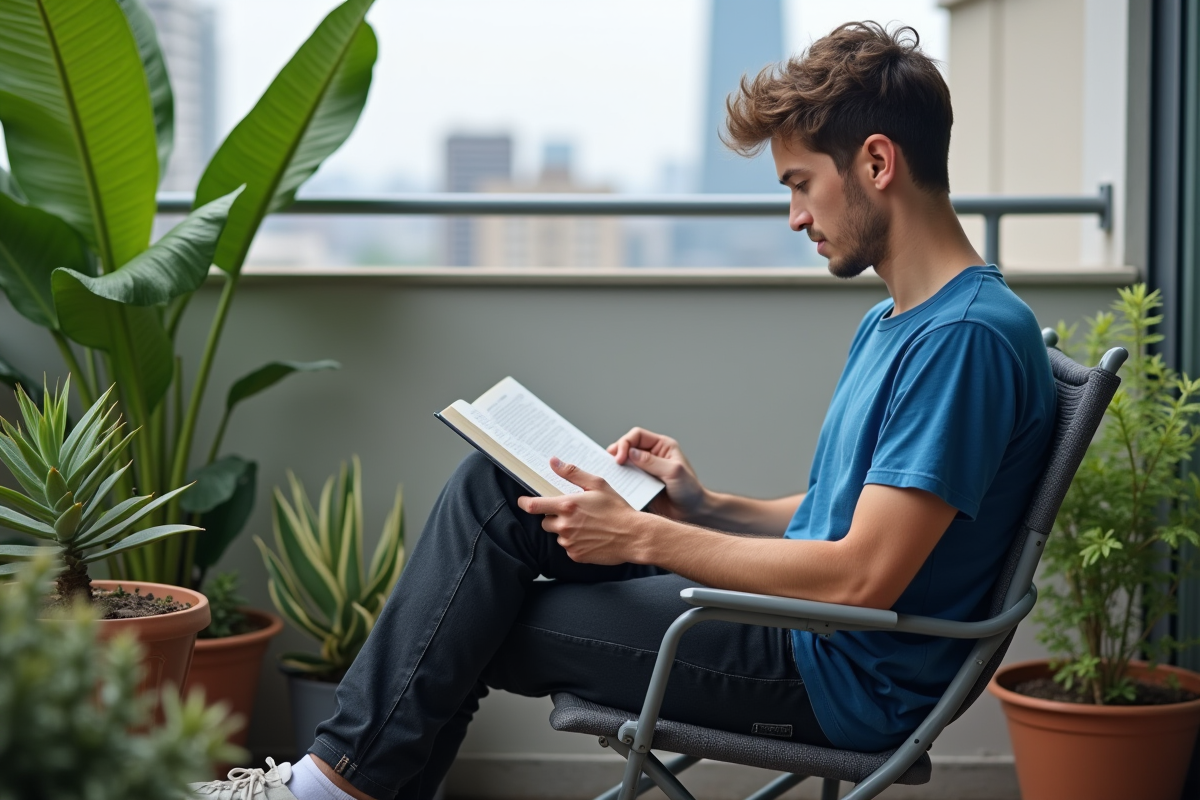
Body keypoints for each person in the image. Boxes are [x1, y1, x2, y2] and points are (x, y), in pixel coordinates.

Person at [193, 21, 1056, 800]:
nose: (796, 217)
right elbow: (845, 515)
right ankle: (339, 788)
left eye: (801, 185)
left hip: (836, 674)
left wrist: (642, 536)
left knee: (471, 616)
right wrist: (700, 505)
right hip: (805, 629)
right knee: (496, 491)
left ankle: (329, 790)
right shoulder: (899, 320)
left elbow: (865, 575)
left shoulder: (965, 340)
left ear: (876, 163)